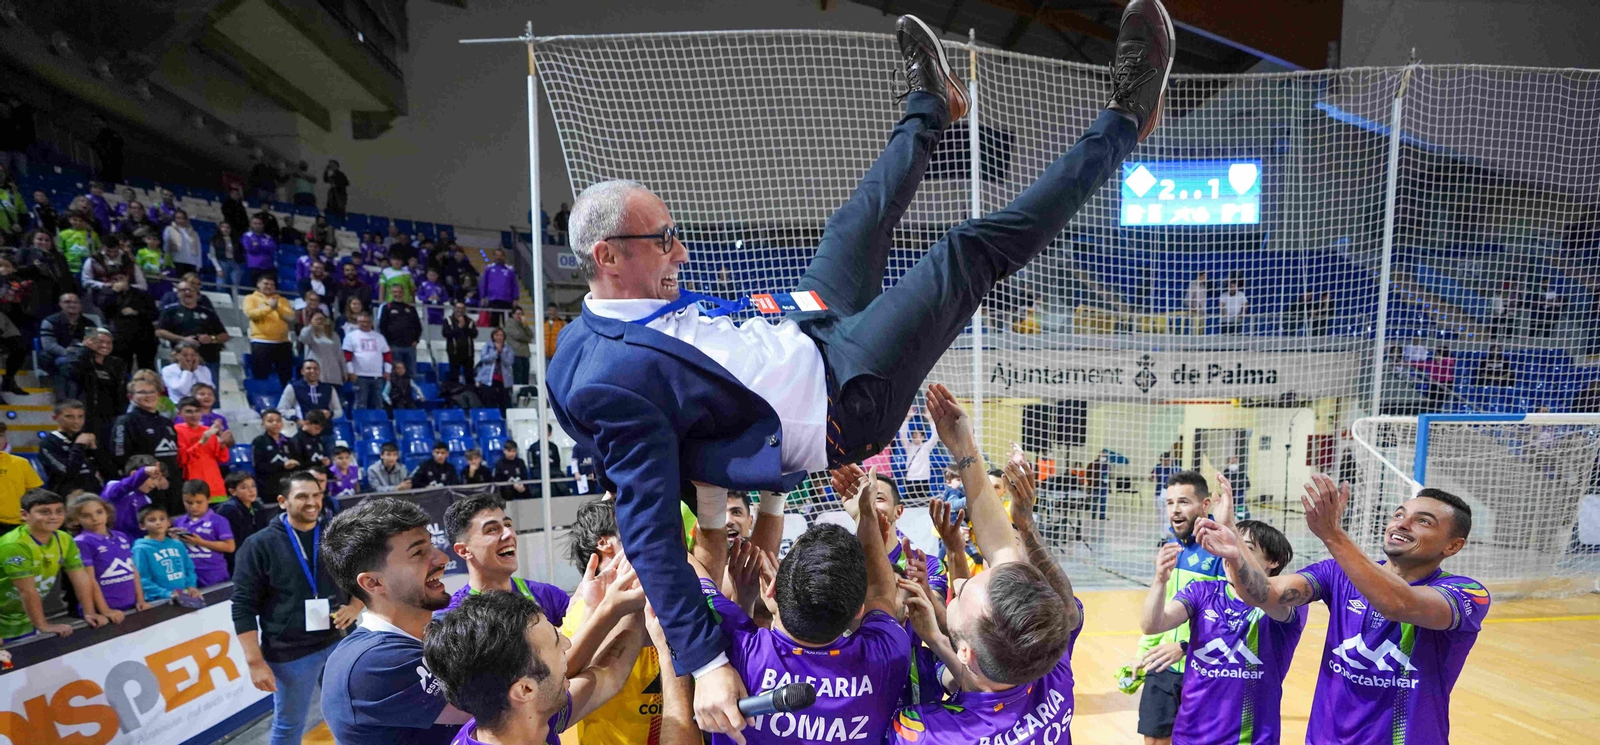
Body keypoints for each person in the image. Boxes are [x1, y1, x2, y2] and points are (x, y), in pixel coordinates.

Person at [547, 7, 1167, 707]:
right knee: (965, 252)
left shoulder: (609, 327)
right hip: (840, 395)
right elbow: (651, 530)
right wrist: (707, 659)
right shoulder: (605, 378)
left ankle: (933, 102)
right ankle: (1125, 120)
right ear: (607, 258)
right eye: (664, 239)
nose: (681, 251)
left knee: (855, 222)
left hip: (804, 322)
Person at [1207, 478, 1489, 745]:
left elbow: (1398, 604)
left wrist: (1333, 534)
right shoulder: (1336, 573)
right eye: (1399, 515)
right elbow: (1262, 593)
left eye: (1423, 521)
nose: (1402, 524)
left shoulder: (1467, 593)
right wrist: (1232, 540)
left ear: (1453, 546)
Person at [691, 465, 908, 745]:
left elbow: (684, 568)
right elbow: (880, 593)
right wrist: (865, 514)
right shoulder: (889, 655)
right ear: (858, 611)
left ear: (771, 590)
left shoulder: (734, 643)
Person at [316, 497, 469, 745]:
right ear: (373, 583)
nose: (442, 559)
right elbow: (503, 709)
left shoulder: (432, 631)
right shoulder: (373, 663)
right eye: (419, 552)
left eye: (432, 546)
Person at [1140, 520, 1303, 745]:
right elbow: (1152, 625)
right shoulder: (1202, 592)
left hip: (1251, 739)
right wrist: (1160, 580)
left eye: (1245, 547)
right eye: (1230, 543)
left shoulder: (1286, 605)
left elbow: (1264, 595)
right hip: (1190, 735)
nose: (1231, 553)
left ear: (1273, 561)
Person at [233, 471, 364, 745]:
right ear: (283, 501)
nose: (312, 502)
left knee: (350, 716)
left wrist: (355, 605)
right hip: (290, 653)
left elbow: (364, 575)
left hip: (339, 641)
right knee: (289, 725)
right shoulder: (258, 545)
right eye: (302, 496)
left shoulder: (336, 533)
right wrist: (255, 662)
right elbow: (242, 607)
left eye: (316, 495)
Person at [425, 585, 643, 745]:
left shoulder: (522, 715)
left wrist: (636, 602)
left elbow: (610, 673)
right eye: (557, 642)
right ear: (525, 689)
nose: (568, 644)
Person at [557, 499, 672, 745]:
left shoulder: (668, 598)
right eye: (634, 525)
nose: (647, 531)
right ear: (605, 542)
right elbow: (560, 682)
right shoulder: (581, 612)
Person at [1131, 470, 1229, 745]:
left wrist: (1185, 646)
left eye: (1183, 502)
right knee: (1154, 739)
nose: (1174, 510)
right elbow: (1159, 610)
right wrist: (1142, 653)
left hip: (1203, 669)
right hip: (1163, 664)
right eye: (1169, 502)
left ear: (1205, 505)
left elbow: (1232, 618)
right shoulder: (1171, 547)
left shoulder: (1223, 551)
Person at [1, 489, 118, 640]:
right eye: (45, 512)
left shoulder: (64, 539)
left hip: (25, 619)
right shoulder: (14, 545)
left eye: (59, 511)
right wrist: (44, 625)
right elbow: (27, 591)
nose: (54, 517)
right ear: (24, 515)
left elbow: (80, 578)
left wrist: (90, 612)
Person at [439, 494, 571, 619]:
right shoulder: (451, 618)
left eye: (507, 525)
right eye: (491, 529)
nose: (509, 533)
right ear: (463, 550)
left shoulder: (549, 596)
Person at [838, 470, 948, 601]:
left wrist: (923, 593)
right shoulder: (842, 566)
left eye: (878, 498)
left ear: (898, 511)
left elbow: (940, 617)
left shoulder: (928, 565)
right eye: (865, 499)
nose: (869, 505)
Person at [69, 494, 150, 612]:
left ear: (107, 512)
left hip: (131, 605)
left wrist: (141, 600)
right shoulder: (82, 542)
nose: (95, 518)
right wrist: (105, 610)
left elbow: (133, 570)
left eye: (99, 512)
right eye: (86, 515)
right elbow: (89, 580)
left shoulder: (121, 536)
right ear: (76, 519)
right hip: (104, 610)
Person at [112, 378, 182, 514]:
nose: (148, 395)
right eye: (142, 392)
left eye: (152, 391)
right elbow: (120, 457)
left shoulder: (166, 422)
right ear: (130, 397)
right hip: (146, 487)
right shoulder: (125, 421)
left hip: (172, 487)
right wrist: (152, 478)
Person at [156, 281, 230, 385]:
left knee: (209, 393)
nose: (187, 292)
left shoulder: (208, 312)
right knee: (183, 391)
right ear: (177, 293)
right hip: (183, 360)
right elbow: (159, 331)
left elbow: (225, 336)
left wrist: (211, 339)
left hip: (209, 358)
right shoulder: (170, 311)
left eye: (191, 290)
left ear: (197, 293)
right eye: (183, 290)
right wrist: (183, 340)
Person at [41, 400, 117, 496]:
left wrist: (95, 450)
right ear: (55, 418)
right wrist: (78, 446)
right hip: (67, 496)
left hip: (95, 493)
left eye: (80, 417)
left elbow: (110, 472)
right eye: (69, 417)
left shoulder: (87, 438)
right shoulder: (49, 443)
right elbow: (67, 473)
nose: (76, 421)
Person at [131, 503, 203, 602]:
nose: (158, 523)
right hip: (157, 601)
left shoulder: (178, 544)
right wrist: (167, 593)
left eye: (162, 519)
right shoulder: (141, 549)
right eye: (152, 520)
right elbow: (142, 579)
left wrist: (191, 586)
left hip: (183, 596)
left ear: (169, 522)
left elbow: (189, 568)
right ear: (142, 526)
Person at [172, 479, 236, 586]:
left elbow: (230, 547)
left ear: (209, 499)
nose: (194, 507)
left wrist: (200, 542)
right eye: (189, 503)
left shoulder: (219, 520)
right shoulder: (179, 522)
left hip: (214, 574)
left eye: (199, 502)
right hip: (188, 575)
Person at [245, 274, 297, 382]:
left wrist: (277, 307)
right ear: (258, 284)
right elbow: (251, 314)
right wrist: (269, 308)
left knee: (286, 377)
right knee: (261, 375)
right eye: (266, 284)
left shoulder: (282, 300)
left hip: (282, 342)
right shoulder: (250, 298)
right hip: (261, 341)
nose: (269, 286)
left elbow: (290, 317)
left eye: (272, 285)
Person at [216, 472, 270, 574]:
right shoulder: (228, 511)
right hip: (238, 561)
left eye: (253, 486)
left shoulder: (257, 506)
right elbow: (234, 544)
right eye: (244, 487)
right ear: (233, 492)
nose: (251, 490)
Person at [175, 396, 229, 498]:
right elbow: (183, 460)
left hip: (216, 486)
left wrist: (222, 445)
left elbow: (222, 459)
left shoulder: (208, 430)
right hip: (194, 487)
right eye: (189, 411)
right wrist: (202, 441)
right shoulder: (177, 431)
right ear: (180, 414)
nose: (194, 415)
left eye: (197, 411)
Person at [40, 292, 100, 379]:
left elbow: (93, 343)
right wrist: (67, 353)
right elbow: (49, 345)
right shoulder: (49, 321)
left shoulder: (90, 323)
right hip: (58, 354)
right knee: (44, 356)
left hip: (80, 355)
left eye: (76, 302)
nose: (72, 305)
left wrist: (76, 353)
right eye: (68, 302)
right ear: (60, 304)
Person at [103, 458, 166, 541]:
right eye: (153, 478)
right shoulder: (114, 486)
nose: (156, 484)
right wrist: (144, 472)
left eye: (158, 480)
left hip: (135, 546)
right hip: (112, 543)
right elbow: (124, 486)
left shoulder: (146, 500)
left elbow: (143, 529)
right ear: (134, 474)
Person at [344, 311, 392, 410]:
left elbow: (387, 355)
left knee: (378, 404)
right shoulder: (351, 336)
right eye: (362, 322)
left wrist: (387, 371)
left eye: (367, 322)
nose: (365, 324)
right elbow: (347, 356)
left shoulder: (379, 337)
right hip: (359, 375)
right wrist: (351, 372)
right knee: (360, 403)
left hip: (377, 376)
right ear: (358, 322)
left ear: (371, 322)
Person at [253, 410, 302, 501]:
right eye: (270, 421)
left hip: (289, 485)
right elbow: (259, 466)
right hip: (269, 487)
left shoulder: (289, 441)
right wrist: (282, 466)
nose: (275, 423)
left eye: (278, 420)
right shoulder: (259, 442)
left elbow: (298, 461)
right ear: (263, 424)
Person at [278, 358, 345, 422]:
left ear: (319, 371)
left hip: (325, 429)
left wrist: (330, 414)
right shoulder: (293, 387)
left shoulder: (329, 388)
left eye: (315, 368)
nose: (312, 371)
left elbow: (339, 411)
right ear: (302, 371)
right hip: (302, 429)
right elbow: (281, 409)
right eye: (308, 368)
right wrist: (296, 419)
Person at [379, 289, 423, 373]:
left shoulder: (411, 308)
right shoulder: (387, 308)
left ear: (403, 293)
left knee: (411, 372)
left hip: (410, 347)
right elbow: (382, 327)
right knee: (395, 372)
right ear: (391, 293)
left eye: (400, 292)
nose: (397, 294)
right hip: (394, 346)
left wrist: (416, 340)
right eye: (395, 292)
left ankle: (409, 386)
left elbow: (418, 326)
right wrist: (387, 343)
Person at [299, 310, 348, 383]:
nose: (319, 321)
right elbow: (303, 337)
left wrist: (344, 371)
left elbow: (340, 354)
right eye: (317, 319)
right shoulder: (310, 335)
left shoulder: (334, 335)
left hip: (334, 373)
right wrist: (311, 326)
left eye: (321, 319)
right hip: (316, 375)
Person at [475, 327, 516, 411]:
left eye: (501, 335)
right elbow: (484, 358)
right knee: (489, 401)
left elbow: (509, 362)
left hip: (503, 379)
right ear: (493, 336)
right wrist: (496, 353)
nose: (499, 337)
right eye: (497, 335)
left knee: (503, 401)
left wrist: (502, 353)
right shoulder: (487, 346)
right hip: (488, 378)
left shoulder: (508, 348)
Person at [479, 248, 518, 324]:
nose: (498, 257)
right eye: (497, 255)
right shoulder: (489, 268)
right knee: (493, 322)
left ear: (504, 257)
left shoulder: (510, 269)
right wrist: (482, 297)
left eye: (500, 255)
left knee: (508, 323)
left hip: (507, 300)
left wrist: (516, 298)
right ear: (494, 256)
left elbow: (514, 284)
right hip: (493, 299)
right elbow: (484, 283)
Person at [443, 301, 478, 385]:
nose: (460, 310)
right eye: (458, 308)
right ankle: (455, 394)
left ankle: (471, 394)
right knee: (454, 376)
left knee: (469, 376)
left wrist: (464, 326)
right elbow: (446, 333)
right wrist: (458, 327)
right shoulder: (448, 320)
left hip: (468, 354)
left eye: (462, 308)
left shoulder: (470, 321)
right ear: (454, 309)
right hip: (454, 353)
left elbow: (474, 334)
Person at [162, 208, 203, 276]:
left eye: (183, 218)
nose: (181, 220)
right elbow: (166, 246)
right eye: (178, 218)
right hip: (176, 261)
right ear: (174, 219)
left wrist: (198, 265)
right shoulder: (169, 229)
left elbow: (198, 249)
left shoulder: (194, 233)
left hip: (191, 263)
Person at [242, 216, 278, 285]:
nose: (258, 225)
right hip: (254, 266)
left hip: (268, 267)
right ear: (251, 224)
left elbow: (271, 248)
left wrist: (258, 245)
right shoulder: (247, 235)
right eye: (255, 223)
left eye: (260, 223)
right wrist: (263, 247)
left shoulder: (268, 237)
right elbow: (250, 248)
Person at [503, 307, 534, 385]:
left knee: (525, 377)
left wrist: (525, 326)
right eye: (518, 314)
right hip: (516, 353)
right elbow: (518, 336)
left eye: (521, 314)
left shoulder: (523, 325)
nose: (519, 316)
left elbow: (531, 335)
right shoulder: (510, 323)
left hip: (525, 354)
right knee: (518, 376)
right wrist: (527, 338)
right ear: (513, 315)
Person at [212, 218, 247, 288]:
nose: (225, 229)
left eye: (227, 227)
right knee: (220, 285)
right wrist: (218, 269)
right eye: (223, 227)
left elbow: (241, 252)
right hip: (222, 263)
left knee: (235, 286)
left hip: (234, 263)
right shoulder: (214, 240)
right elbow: (212, 255)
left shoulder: (236, 240)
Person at [1185, 271, 1208, 335]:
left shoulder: (1203, 286)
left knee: (1201, 331)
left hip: (1202, 312)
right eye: (1204, 276)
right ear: (1199, 276)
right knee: (1194, 330)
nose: (1205, 278)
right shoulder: (1192, 285)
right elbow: (1187, 300)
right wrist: (1193, 309)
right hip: (1194, 312)